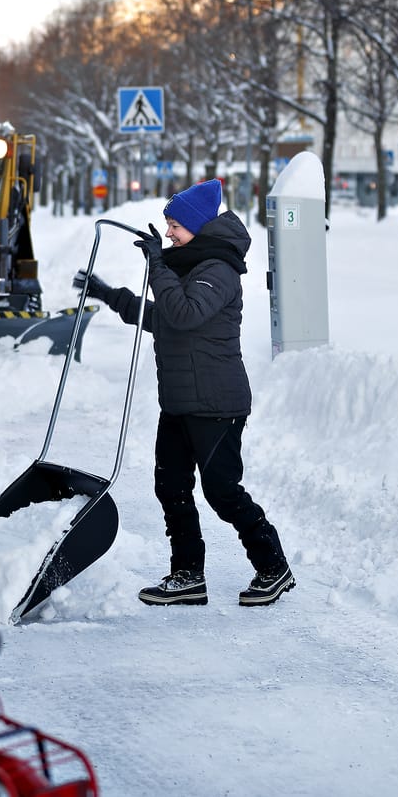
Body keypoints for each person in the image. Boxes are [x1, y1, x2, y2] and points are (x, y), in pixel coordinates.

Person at [73, 179, 293, 607]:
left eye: (174, 225)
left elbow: (184, 313)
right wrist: (108, 294)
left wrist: (158, 265)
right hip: (178, 402)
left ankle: (273, 566)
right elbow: (162, 317)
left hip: (216, 404)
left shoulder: (219, 269)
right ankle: (188, 575)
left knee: (222, 491)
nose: (169, 233)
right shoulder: (190, 265)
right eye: (168, 225)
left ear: (197, 225)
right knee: (170, 486)